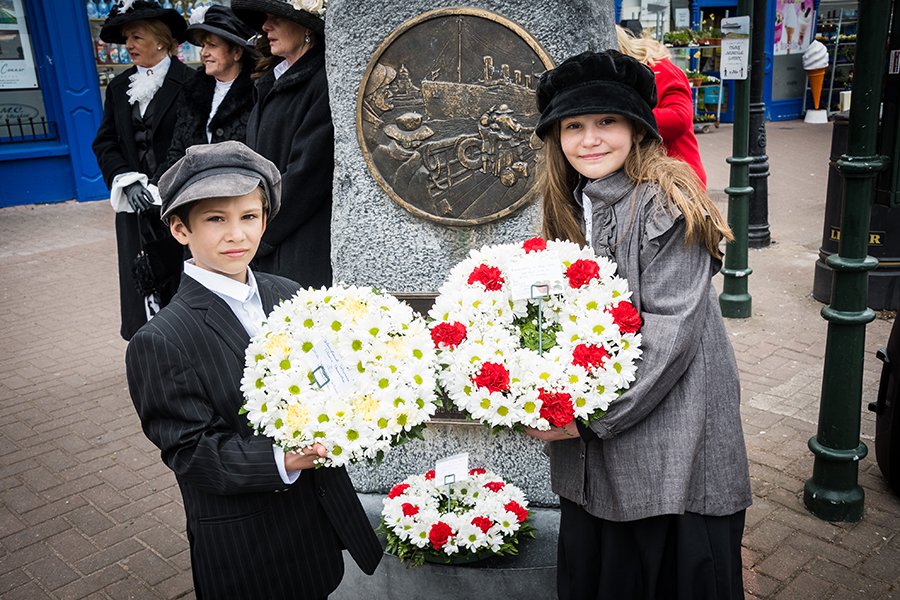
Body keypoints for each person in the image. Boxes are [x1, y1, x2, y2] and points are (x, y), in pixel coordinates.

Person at [526, 50, 751, 599]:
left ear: (637, 127)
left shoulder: (665, 203)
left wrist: (585, 420)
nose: (589, 139)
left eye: (607, 121)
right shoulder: (578, 205)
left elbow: (670, 333)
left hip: (671, 442)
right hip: (602, 446)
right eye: (573, 126)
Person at [126, 140, 383, 599]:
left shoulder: (288, 292)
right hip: (247, 545)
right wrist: (284, 459)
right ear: (180, 229)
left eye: (249, 217)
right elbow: (190, 451)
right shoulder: (161, 340)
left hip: (315, 523)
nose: (237, 235)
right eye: (215, 220)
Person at [92, 0, 190, 340]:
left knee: (180, 275)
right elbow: (105, 142)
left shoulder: (190, 83)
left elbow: (191, 142)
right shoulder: (119, 88)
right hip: (134, 207)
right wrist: (127, 181)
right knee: (141, 278)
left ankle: (185, 344)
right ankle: (150, 345)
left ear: (161, 39)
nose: (128, 45)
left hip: (176, 202)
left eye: (135, 37)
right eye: (125, 39)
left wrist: (160, 187)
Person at [232, 0, 333, 287]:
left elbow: (308, 173)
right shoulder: (271, 79)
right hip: (266, 229)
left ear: (306, 28)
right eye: (265, 18)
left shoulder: (321, 81)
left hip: (298, 239)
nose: (265, 27)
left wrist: (260, 228)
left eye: (275, 18)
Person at [154, 5, 258, 177]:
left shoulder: (257, 91)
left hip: (242, 194)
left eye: (212, 45)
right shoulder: (191, 90)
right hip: (196, 193)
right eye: (203, 45)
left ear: (237, 52)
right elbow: (177, 149)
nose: (204, 53)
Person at [616, 24, 708, 188]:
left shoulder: (661, 70)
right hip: (646, 176)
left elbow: (679, 118)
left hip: (676, 176)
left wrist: (626, 114)